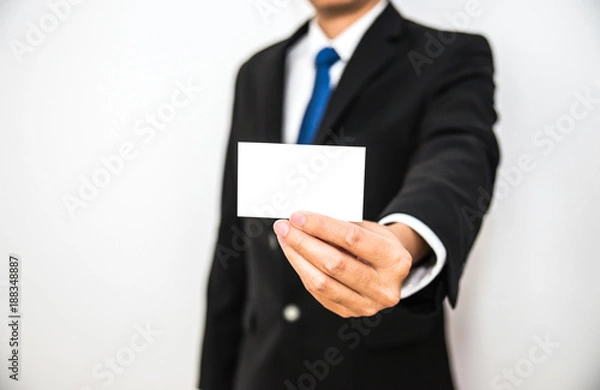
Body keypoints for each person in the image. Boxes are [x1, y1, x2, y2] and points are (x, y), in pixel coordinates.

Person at [199, 0, 500, 388]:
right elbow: (233, 242)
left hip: (382, 374)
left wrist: (402, 240)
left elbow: (457, 158)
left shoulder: (449, 55)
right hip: (261, 372)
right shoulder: (256, 72)